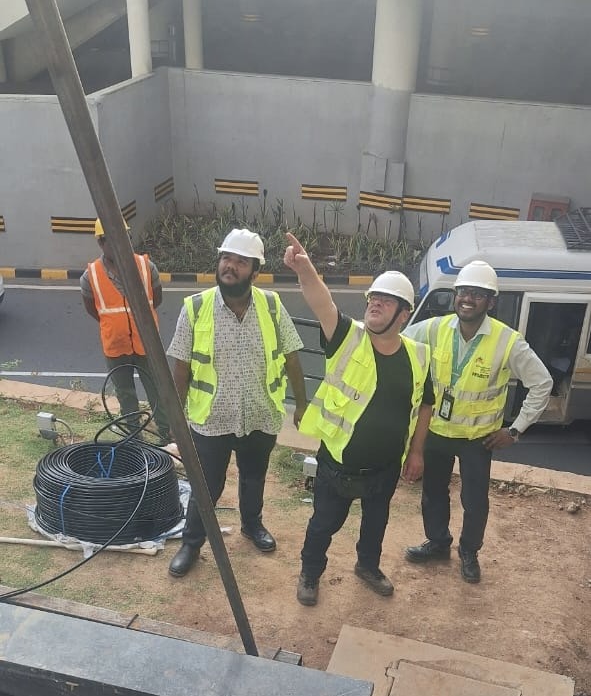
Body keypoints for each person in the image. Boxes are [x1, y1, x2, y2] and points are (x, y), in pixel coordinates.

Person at [284, 232, 434, 607]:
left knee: (375, 524)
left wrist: (416, 453)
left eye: (387, 301)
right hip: (338, 465)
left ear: (404, 314)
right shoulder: (346, 337)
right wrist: (305, 270)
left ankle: (367, 566)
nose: (375, 304)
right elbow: (322, 302)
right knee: (323, 525)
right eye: (373, 298)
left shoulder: (418, 355)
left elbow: (426, 403)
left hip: (385, 468)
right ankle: (310, 574)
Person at [167, 228, 307, 577]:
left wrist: (302, 404)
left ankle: (252, 525)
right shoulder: (196, 308)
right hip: (211, 419)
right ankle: (191, 543)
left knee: (254, 477)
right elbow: (181, 368)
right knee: (207, 486)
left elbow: (291, 357)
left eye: (240, 261)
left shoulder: (272, 305)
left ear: (255, 271)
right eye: (226, 258)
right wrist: (175, 415)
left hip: (260, 414)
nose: (230, 266)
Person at [404, 260, 553, 583]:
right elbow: (398, 341)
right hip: (437, 432)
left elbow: (542, 383)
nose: (467, 299)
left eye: (477, 294)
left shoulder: (507, 341)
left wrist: (515, 429)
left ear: (491, 302)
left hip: (478, 439)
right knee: (432, 493)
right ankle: (438, 543)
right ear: (455, 296)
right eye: (463, 292)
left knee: (474, 501)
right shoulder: (434, 329)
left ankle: (469, 552)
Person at [81, 218, 171, 443]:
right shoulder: (90, 276)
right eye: (113, 240)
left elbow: (156, 299)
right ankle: (134, 439)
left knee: (157, 391)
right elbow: (95, 310)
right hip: (116, 346)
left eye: (125, 238)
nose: (122, 244)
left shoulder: (146, 267)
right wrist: (117, 324)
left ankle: (166, 435)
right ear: (102, 243)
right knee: (126, 395)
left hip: (147, 344)